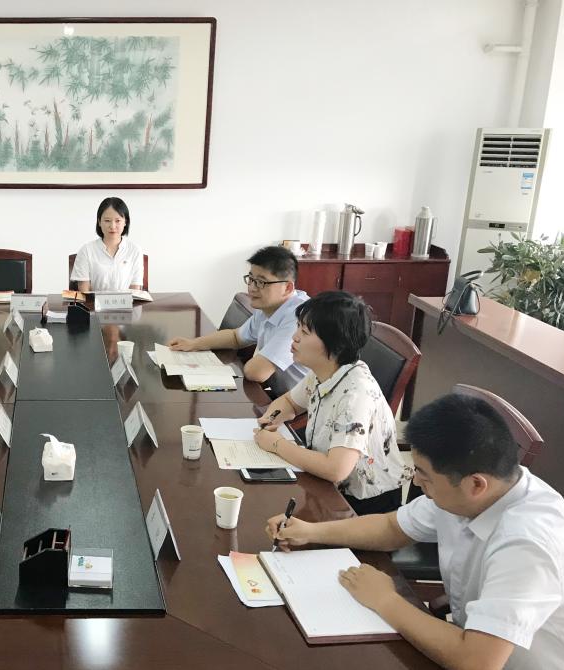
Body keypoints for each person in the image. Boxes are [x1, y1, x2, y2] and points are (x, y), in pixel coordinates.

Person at [267, 393, 564, 670]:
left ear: (476, 485)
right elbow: (391, 527)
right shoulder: (479, 491)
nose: (416, 481)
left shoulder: (528, 543)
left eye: (424, 476)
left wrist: (387, 600)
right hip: (474, 644)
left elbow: (477, 666)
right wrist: (311, 532)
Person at [254, 291, 407, 515]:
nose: (294, 337)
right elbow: (289, 402)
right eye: (298, 327)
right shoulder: (323, 371)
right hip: (329, 487)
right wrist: (271, 418)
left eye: (305, 332)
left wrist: (277, 444)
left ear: (336, 345)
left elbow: (336, 469)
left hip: (364, 504)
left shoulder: (355, 395)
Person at [168, 245, 309, 386]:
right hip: (276, 392)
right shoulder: (268, 306)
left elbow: (257, 372)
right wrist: (193, 344)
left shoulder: (299, 317)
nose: (252, 288)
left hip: (298, 399)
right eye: (251, 279)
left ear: (287, 288)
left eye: (260, 282)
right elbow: (236, 337)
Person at [70, 197, 144, 293]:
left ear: (125, 222)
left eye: (118, 221)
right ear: (99, 222)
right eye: (107, 220)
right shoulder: (86, 250)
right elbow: (84, 292)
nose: (112, 226)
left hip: (127, 302)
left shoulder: (135, 250)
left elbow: (135, 291)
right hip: (94, 302)